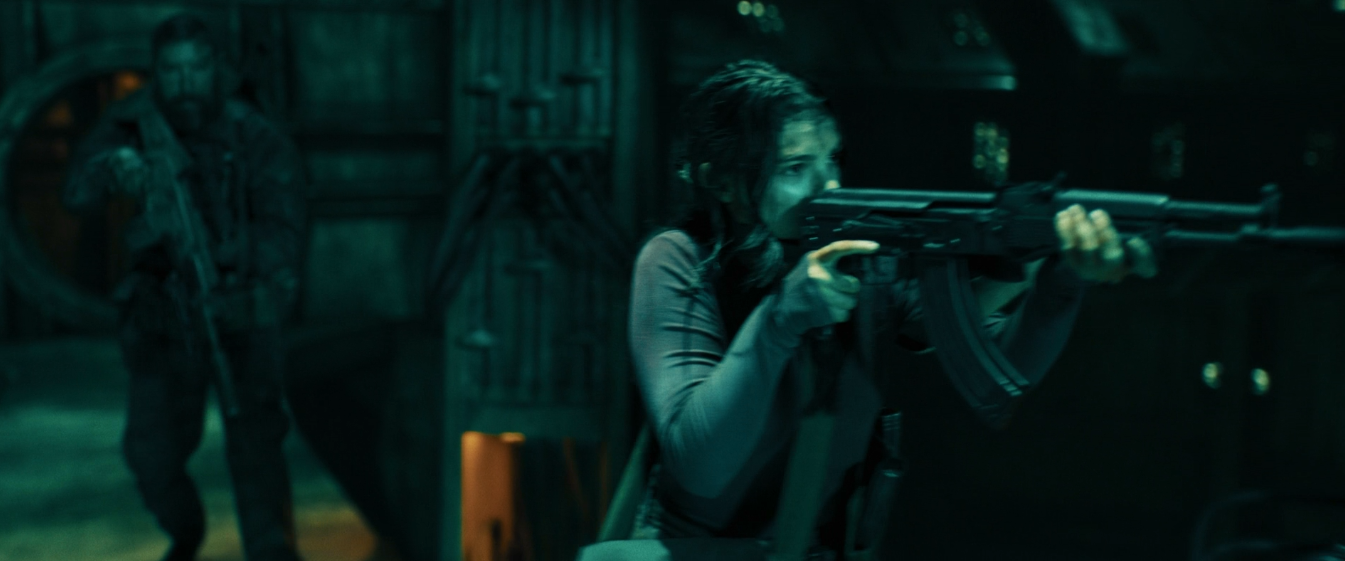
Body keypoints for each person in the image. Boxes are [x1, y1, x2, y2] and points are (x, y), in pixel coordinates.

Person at [580, 60, 1157, 560]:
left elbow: (1003, 368)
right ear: (722, 182)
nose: (828, 186)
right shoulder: (680, 259)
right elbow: (699, 462)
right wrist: (779, 320)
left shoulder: (860, 266)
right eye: (793, 168)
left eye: (832, 160)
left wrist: (1059, 279)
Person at [62, 14, 306, 561]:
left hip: (238, 315)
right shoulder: (130, 123)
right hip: (164, 321)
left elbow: (285, 233)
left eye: (197, 68)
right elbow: (75, 193)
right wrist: (114, 167)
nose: (185, 82)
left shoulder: (254, 134)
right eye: (172, 71)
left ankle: (272, 551)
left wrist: (229, 258)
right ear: (156, 71)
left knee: (256, 446)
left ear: (216, 67)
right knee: (150, 453)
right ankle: (185, 532)